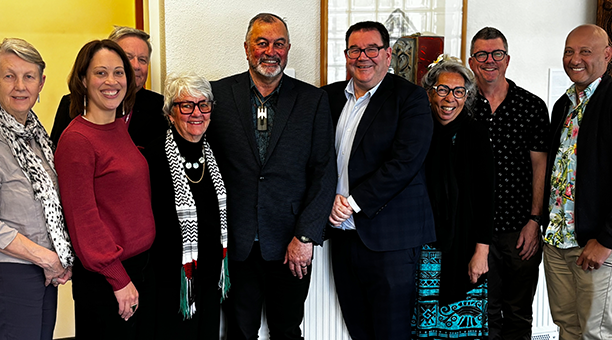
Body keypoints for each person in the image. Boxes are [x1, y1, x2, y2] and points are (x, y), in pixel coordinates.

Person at [207, 13, 336, 340]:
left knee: (287, 329)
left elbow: (324, 171)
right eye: (262, 42)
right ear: (247, 48)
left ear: (288, 48)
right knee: (238, 330)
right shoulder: (217, 96)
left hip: (291, 243)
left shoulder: (312, 100)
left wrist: (306, 236)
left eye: (279, 43)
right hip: (236, 244)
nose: (270, 50)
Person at [322, 21, 435, 340]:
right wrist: (326, 200)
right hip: (343, 237)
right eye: (355, 49)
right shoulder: (329, 98)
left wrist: (352, 203)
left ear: (387, 55)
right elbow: (317, 160)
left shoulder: (410, 98)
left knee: (391, 332)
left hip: (391, 241)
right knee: (358, 328)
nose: (363, 56)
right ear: (346, 55)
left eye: (372, 48)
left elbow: (405, 162)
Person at [0, 38, 73, 339]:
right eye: (9, 76)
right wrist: (48, 258)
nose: (20, 86)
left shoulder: (34, 134)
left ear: (41, 83)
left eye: (29, 76)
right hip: (5, 271)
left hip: (38, 268)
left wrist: (56, 255)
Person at [55, 39, 156, 339]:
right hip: (106, 279)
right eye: (100, 73)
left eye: (118, 72)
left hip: (135, 267)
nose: (111, 81)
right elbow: (83, 222)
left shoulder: (118, 129)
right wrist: (118, 279)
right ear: (83, 79)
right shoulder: (77, 140)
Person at [468, 27, 549, 340]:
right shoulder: (460, 105)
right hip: (475, 232)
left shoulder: (531, 106)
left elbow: (540, 166)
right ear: (472, 61)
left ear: (507, 59)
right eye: (482, 55)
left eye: (496, 54)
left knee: (518, 315)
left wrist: (534, 221)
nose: (490, 61)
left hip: (519, 229)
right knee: (482, 315)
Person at [411, 56, 494, 339]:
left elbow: (486, 198)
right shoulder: (416, 131)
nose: (450, 98)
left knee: (463, 329)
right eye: (442, 89)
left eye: (459, 91)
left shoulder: (476, 134)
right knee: (421, 328)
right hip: (421, 246)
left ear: (467, 96)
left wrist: (481, 252)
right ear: (429, 91)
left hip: (465, 247)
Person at [144, 73, 228, 339]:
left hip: (210, 274)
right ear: (170, 113)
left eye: (203, 105)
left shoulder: (217, 153)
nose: (196, 113)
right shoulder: (153, 157)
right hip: (172, 278)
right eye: (186, 105)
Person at [542, 24, 612, 340]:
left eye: (585, 51)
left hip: (596, 246)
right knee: (567, 328)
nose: (575, 59)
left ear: (607, 55)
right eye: (570, 51)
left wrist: (607, 240)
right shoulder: (564, 105)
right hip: (557, 242)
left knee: (596, 334)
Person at [50, 26, 166, 149]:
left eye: (142, 60)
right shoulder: (71, 103)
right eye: (128, 57)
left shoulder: (161, 107)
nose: (136, 65)